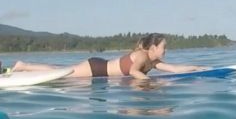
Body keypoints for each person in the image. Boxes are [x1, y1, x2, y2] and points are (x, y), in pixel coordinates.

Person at [12, 33, 207, 79]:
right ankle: (23, 65)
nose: (166, 51)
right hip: (96, 67)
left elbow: (174, 69)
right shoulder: (140, 56)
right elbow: (133, 72)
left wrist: (198, 68)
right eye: (164, 47)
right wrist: (150, 83)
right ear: (153, 47)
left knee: (60, 71)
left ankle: (24, 66)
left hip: (100, 72)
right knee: (61, 73)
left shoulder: (153, 60)